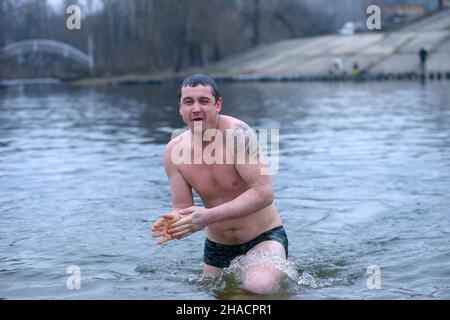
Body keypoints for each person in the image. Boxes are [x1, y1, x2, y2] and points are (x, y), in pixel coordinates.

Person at [151, 74, 288, 295]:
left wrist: (208, 215)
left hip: (262, 237)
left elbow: (264, 193)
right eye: (189, 102)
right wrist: (177, 222)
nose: (196, 108)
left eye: (204, 101)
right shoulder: (173, 151)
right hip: (218, 246)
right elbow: (182, 206)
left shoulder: (238, 134)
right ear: (180, 108)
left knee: (257, 287)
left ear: (218, 105)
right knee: (213, 295)